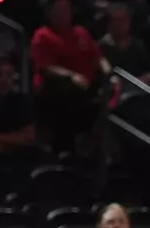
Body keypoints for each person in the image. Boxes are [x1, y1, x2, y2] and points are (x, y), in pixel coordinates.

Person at [31, 0, 110, 154]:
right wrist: (72, 76)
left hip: (87, 88)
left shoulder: (82, 33)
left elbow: (98, 58)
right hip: (55, 92)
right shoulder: (42, 35)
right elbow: (45, 68)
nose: (63, 13)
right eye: (59, 10)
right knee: (74, 96)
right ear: (49, 13)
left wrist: (108, 72)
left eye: (66, 9)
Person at [99, 3, 150, 86]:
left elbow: (147, 70)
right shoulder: (101, 47)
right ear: (109, 24)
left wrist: (148, 76)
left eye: (124, 20)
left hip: (139, 89)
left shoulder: (137, 45)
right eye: (118, 21)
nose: (122, 25)